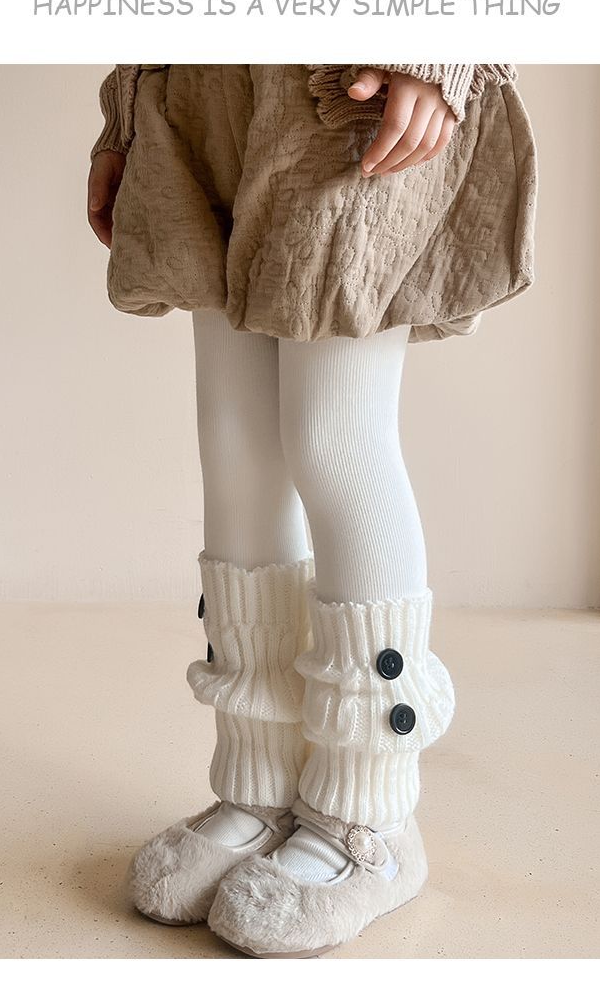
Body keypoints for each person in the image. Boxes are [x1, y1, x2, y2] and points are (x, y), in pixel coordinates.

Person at [87, 63, 537, 958]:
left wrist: (437, 50)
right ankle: (259, 786)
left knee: (336, 440)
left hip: (354, 87)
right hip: (210, 84)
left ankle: (369, 818)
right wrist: (125, 109)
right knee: (236, 447)